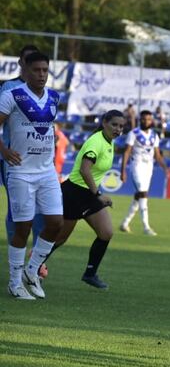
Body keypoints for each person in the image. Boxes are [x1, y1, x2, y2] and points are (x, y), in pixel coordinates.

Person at [0, 51, 63, 300]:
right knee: (23, 228)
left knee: (56, 223)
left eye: (45, 70)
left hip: (47, 171)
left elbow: (48, 129)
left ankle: (31, 270)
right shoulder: (11, 96)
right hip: (20, 171)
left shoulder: (54, 97)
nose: (41, 75)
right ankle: (14, 282)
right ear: (25, 69)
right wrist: (4, 150)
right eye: (36, 70)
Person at [47, 110, 125, 290]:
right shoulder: (96, 141)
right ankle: (32, 266)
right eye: (114, 125)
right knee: (59, 239)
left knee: (106, 233)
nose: (118, 129)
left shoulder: (108, 141)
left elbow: (93, 173)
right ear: (104, 122)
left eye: (121, 126)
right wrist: (99, 195)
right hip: (74, 193)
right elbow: (84, 170)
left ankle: (90, 274)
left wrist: (97, 195)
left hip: (88, 194)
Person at [1, 45, 49, 274]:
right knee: (18, 210)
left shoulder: (45, 91)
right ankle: (16, 263)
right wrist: (4, 151)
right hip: (15, 159)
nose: (38, 71)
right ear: (22, 63)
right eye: (30, 61)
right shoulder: (9, 88)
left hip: (39, 162)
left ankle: (37, 262)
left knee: (44, 211)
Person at [119, 110, 168, 235]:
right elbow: (127, 152)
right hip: (136, 165)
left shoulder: (154, 136)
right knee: (143, 193)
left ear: (152, 121)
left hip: (148, 167)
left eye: (148, 119)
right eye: (144, 119)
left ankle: (125, 223)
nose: (146, 121)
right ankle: (146, 226)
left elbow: (157, 154)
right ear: (140, 120)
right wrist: (123, 170)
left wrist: (165, 168)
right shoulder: (133, 133)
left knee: (139, 196)